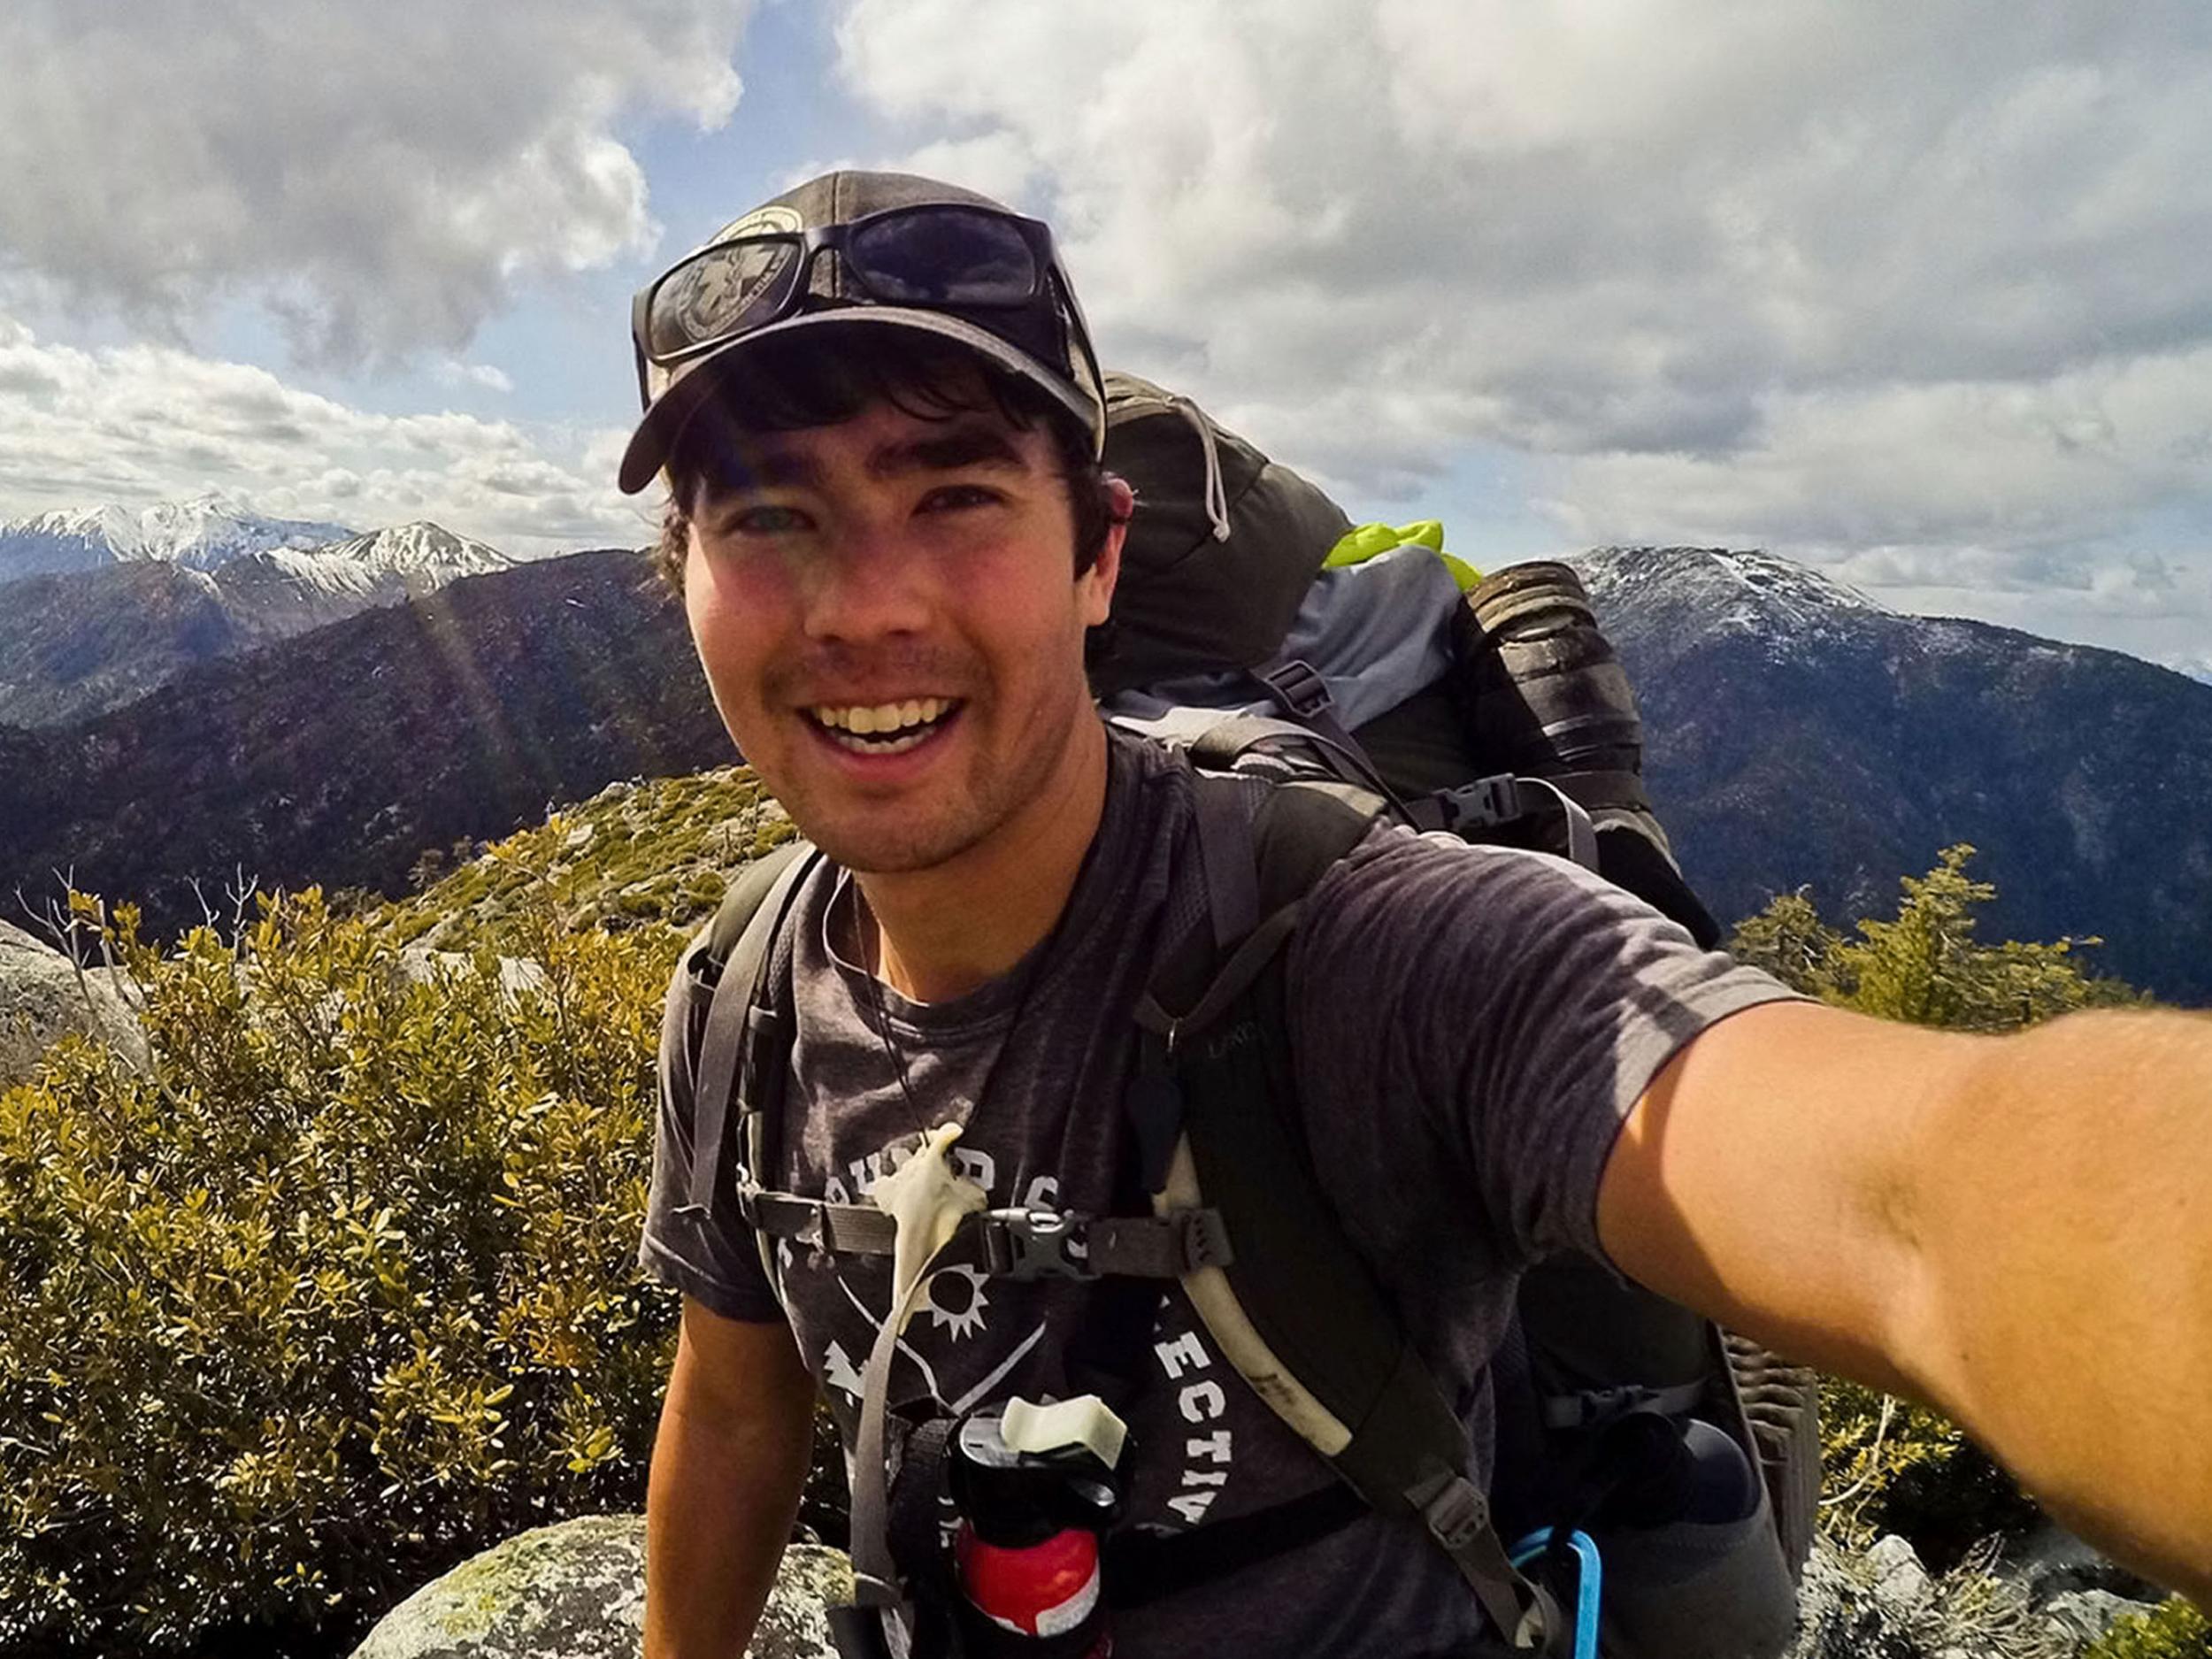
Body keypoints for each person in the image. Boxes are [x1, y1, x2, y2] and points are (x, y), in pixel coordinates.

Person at [620, 171, 2212, 1657]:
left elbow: (1917, 1202)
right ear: (682, 570)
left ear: (1098, 554)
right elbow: (739, 1404)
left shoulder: (1359, 949)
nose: (864, 606)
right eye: (768, 516)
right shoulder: (747, 988)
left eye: (957, 495)